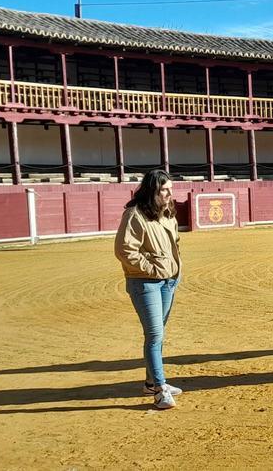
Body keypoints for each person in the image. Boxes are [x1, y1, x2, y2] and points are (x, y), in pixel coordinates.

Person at [114, 169, 183, 410]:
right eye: (164, 190)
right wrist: (152, 269)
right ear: (151, 190)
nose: (169, 194)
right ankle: (160, 388)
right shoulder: (135, 214)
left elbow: (174, 244)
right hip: (145, 282)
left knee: (158, 335)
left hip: (167, 281)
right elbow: (124, 250)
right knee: (154, 335)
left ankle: (151, 382)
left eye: (170, 189)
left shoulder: (167, 214)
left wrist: (174, 271)